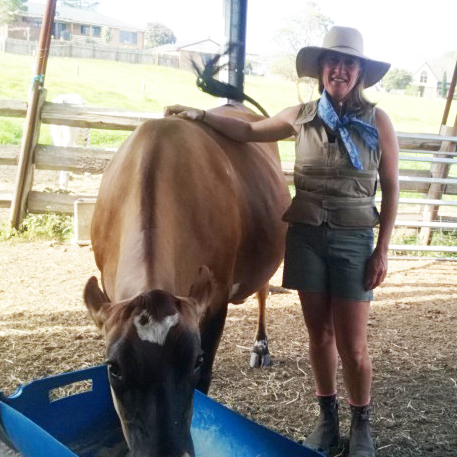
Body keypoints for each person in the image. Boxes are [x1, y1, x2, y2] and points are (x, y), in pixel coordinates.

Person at [164, 26, 399, 457]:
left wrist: (382, 249)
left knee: (354, 344)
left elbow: (392, 187)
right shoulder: (299, 115)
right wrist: (201, 116)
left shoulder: (378, 122)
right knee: (319, 335)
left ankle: (361, 423)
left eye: (349, 63)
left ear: (360, 72)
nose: (340, 70)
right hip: (306, 238)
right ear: (321, 70)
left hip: (353, 240)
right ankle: (327, 421)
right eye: (333, 62)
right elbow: (249, 133)